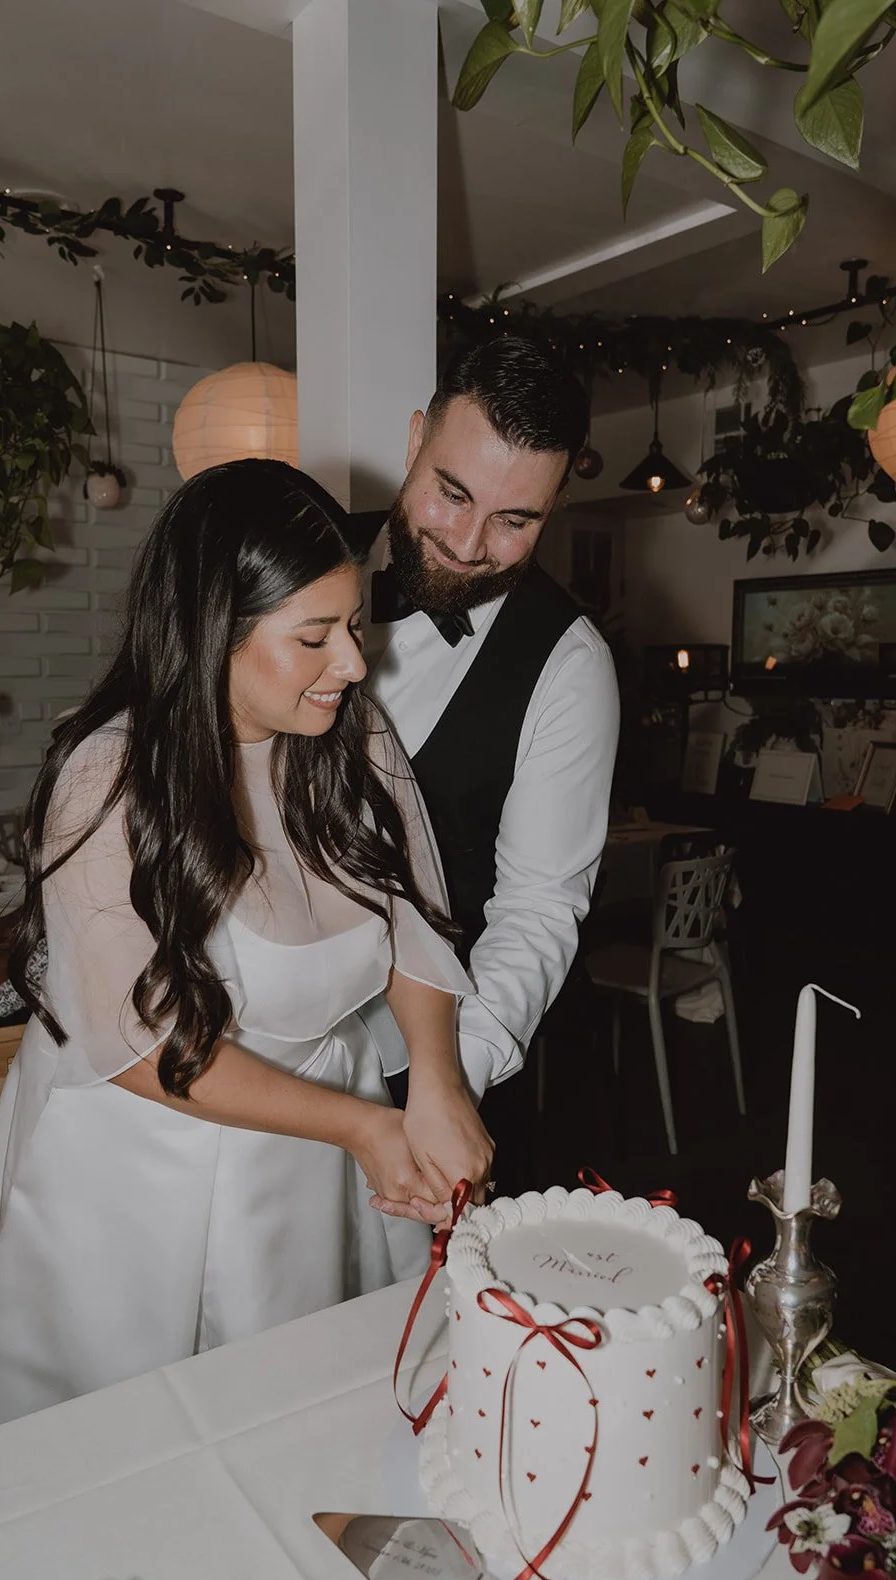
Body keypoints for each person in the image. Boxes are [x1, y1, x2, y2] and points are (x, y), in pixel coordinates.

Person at [0, 459, 492, 1428]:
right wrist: (363, 1126)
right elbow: (145, 1047)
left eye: (352, 626)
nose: (351, 663)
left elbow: (412, 922)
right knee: (120, 1448)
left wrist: (433, 1078)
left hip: (303, 1165)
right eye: (313, 637)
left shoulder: (353, 739)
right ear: (216, 629)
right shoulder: (107, 780)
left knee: (291, 1426)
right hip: (131, 1172)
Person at [360, 338, 621, 1203]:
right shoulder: (294, 561)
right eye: (451, 492)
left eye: (516, 520)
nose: (469, 545)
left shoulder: (568, 661)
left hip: (428, 1059)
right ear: (411, 444)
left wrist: (444, 1083)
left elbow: (539, 906)